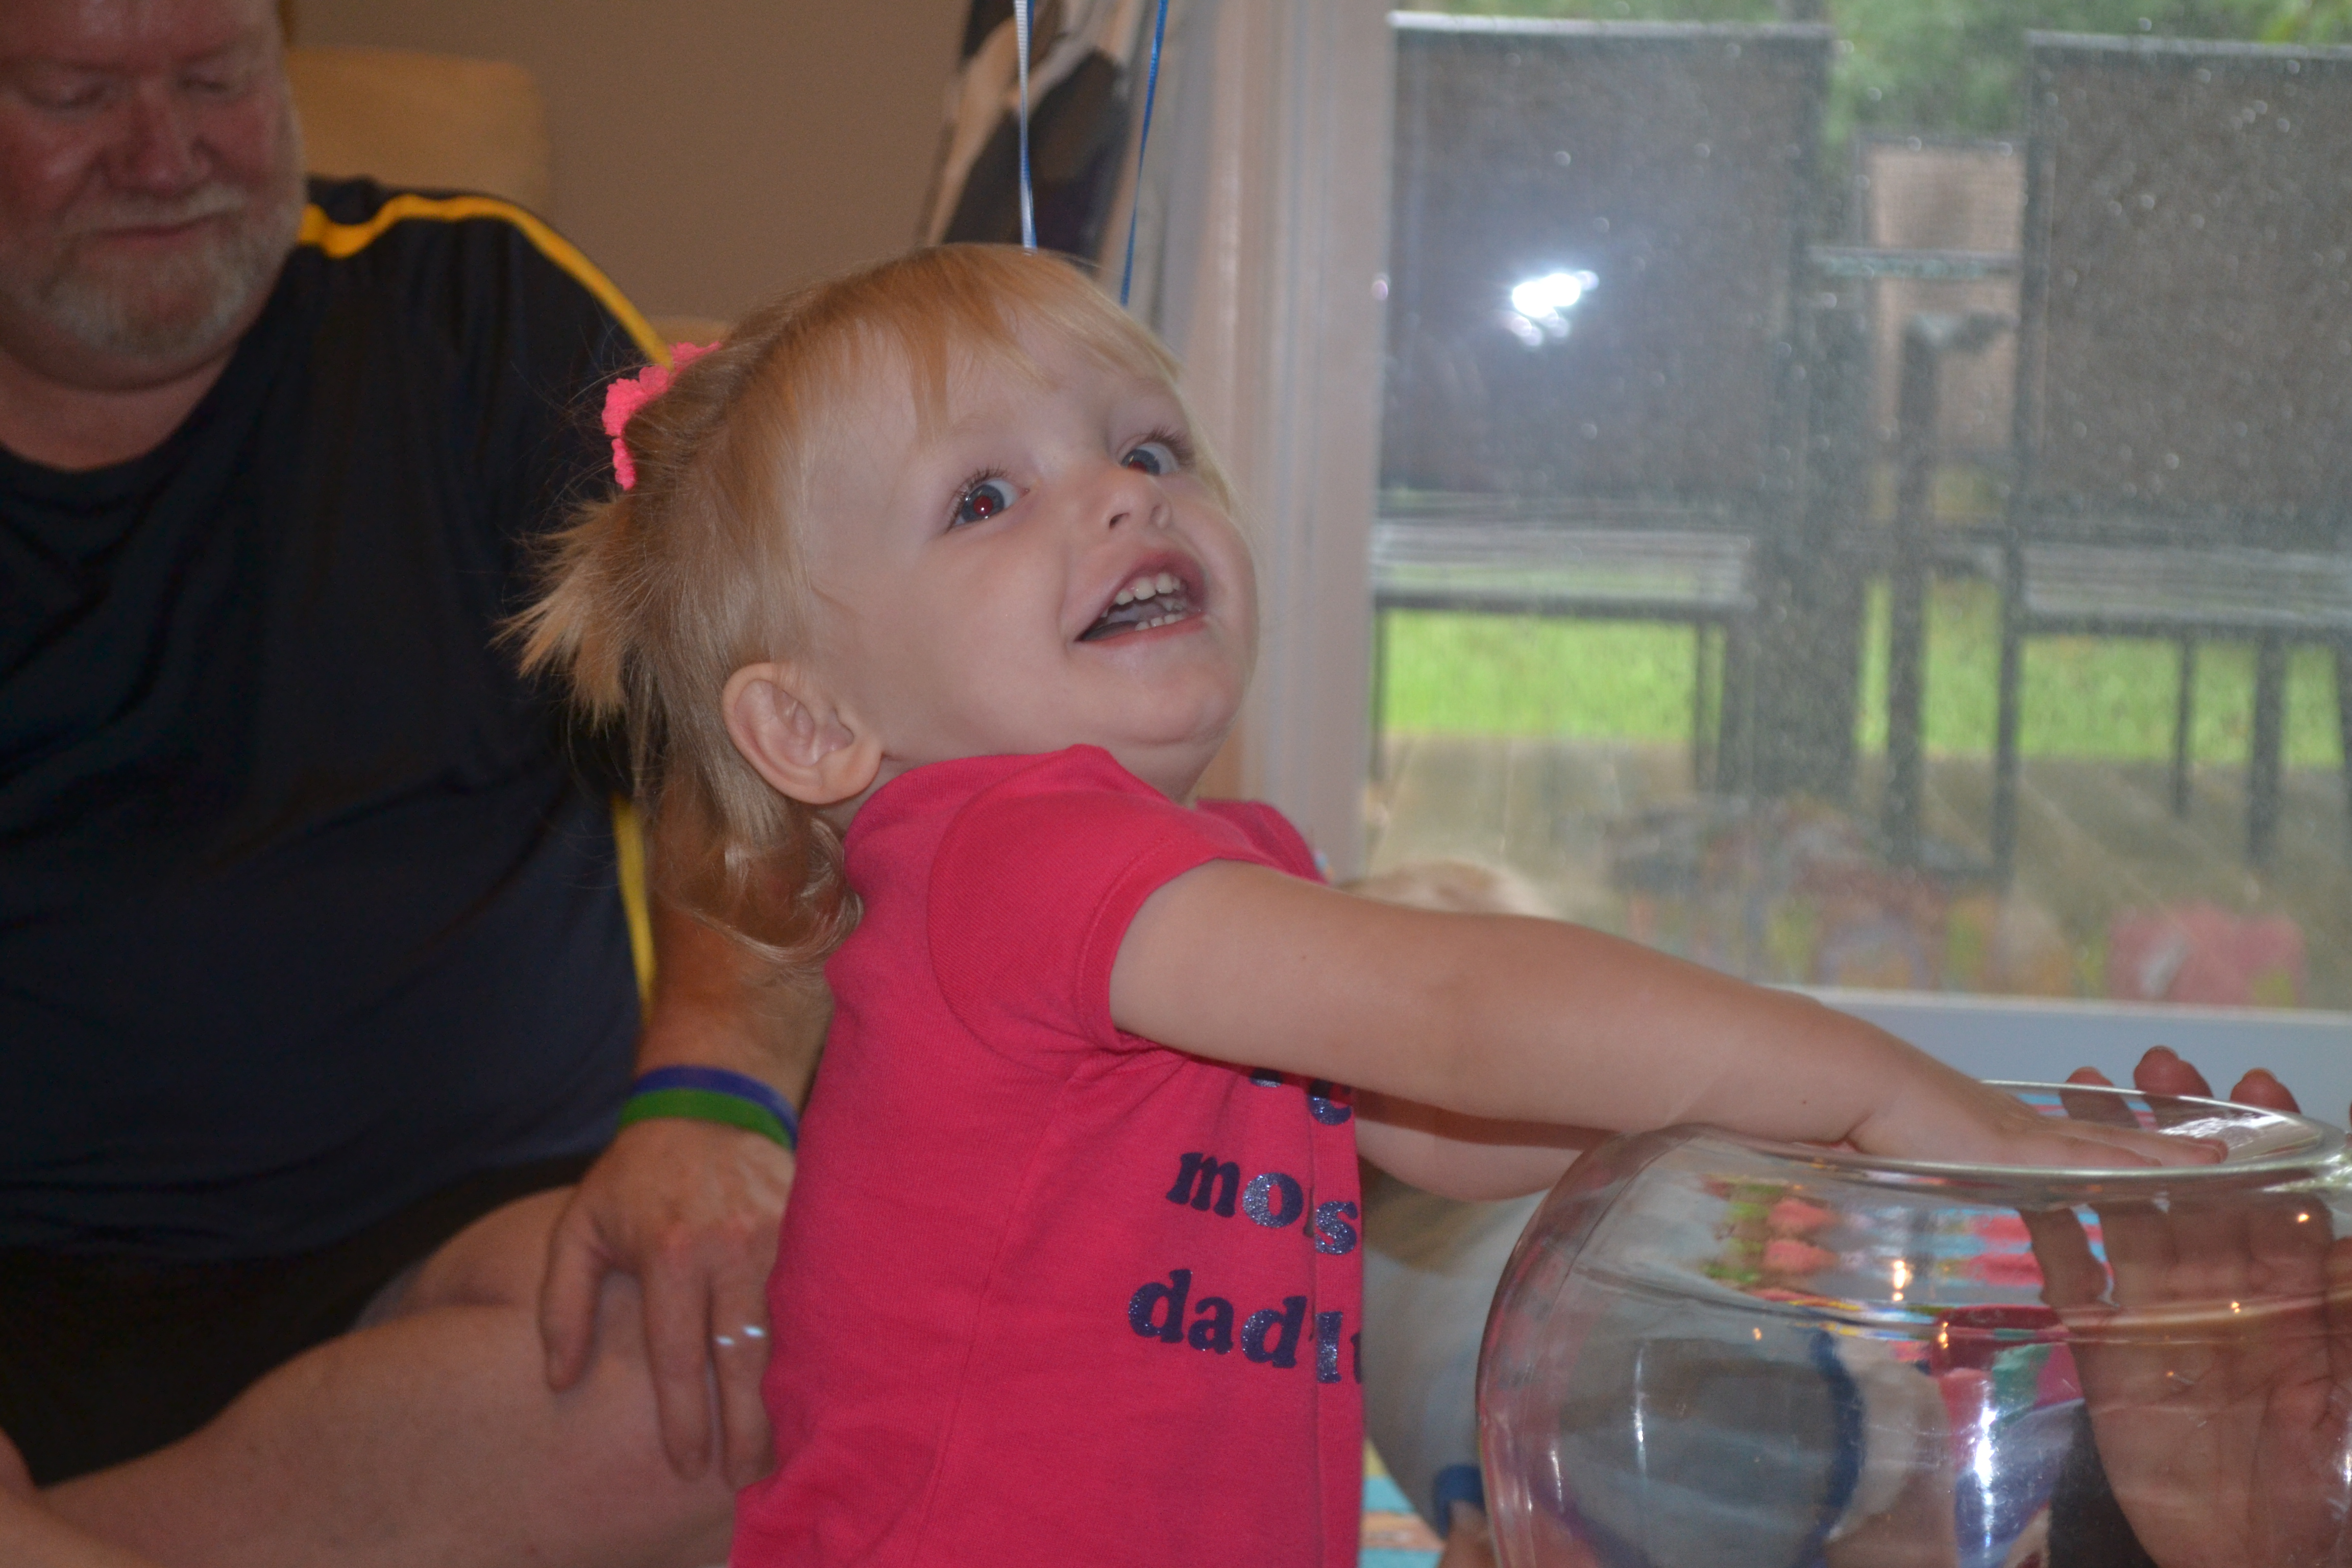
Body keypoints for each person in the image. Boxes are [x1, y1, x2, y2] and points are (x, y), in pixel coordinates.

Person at [516, 243, 2208, 1566]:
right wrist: (1879, 1088)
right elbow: (1454, 1013)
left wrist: (1780, 1138)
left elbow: (1433, 1120)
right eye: (985, 497)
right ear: (815, 725)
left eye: (1146, 445)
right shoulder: (1004, 862)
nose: (1124, 493)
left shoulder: (1180, 878)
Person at [0, 3, 813, 1564]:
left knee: (734, 1368)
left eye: (219, 79)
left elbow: (755, 726)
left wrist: (712, 1091)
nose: (164, 156)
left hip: (454, 1252)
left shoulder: (477, 311)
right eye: (75, 94)